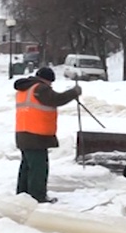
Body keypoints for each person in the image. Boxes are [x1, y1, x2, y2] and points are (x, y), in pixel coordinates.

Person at [14, 66, 82, 204]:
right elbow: (55, 99)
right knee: (39, 167)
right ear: (47, 80)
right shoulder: (40, 88)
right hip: (35, 134)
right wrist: (74, 92)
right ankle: (37, 196)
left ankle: (23, 194)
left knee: (27, 166)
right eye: (51, 82)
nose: (51, 85)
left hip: (23, 132)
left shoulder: (25, 88)